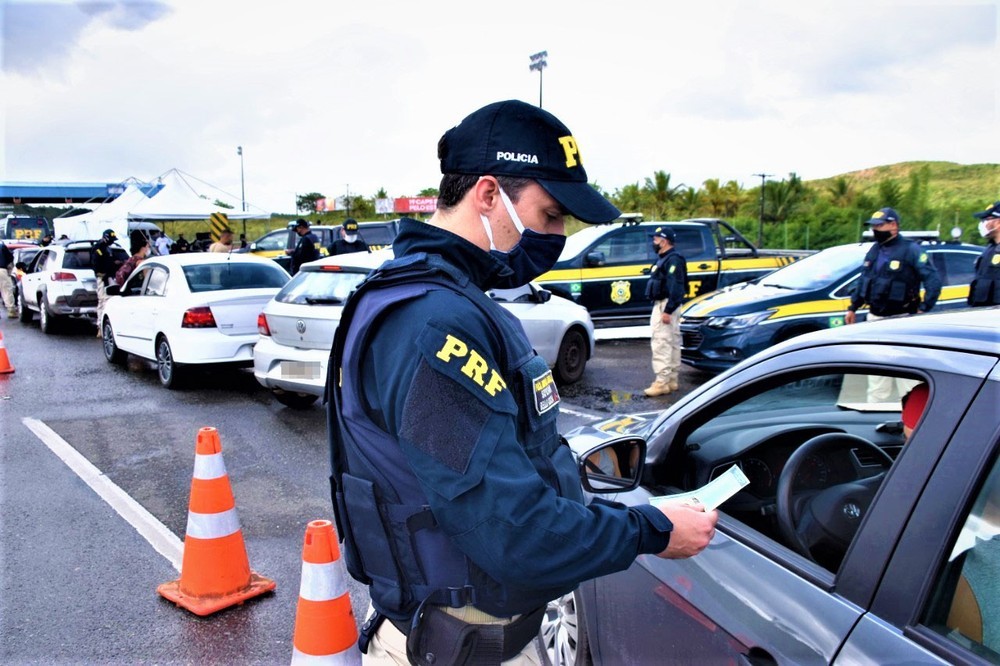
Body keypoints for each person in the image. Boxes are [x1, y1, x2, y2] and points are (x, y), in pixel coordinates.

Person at [327, 99, 717, 665]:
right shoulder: (434, 322)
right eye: (550, 213)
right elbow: (513, 531)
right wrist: (651, 531)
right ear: (488, 194)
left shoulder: (433, 297)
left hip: (474, 635)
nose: (556, 235)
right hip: (455, 646)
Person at [845, 207, 941, 401]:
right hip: (875, 318)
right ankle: (873, 416)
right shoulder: (874, 250)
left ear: (894, 225)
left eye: (880, 226)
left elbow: (933, 281)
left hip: (902, 319)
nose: (875, 230)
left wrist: (925, 308)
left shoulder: (910, 250)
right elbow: (864, 281)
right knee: (877, 376)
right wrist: (853, 307)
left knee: (907, 378)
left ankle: (912, 421)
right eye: (873, 226)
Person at [643, 226, 687, 397]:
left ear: (664, 240)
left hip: (666, 305)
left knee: (662, 342)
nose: (653, 242)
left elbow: (677, 286)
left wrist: (668, 310)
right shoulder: (666, 258)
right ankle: (671, 380)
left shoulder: (673, 259)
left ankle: (661, 382)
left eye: (655, 239)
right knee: (672, 341)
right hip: (668, 305)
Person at [968, 200, 1000, 307]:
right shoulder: (989, 249)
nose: (983, 223)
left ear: (998, 222)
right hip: (983, 314)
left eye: (987, 219)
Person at [92, 228, 122, 337]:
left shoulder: (108, 249)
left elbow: (111, 261)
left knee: (110, 301)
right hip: (103, 278)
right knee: (103, 301)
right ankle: (100, 327)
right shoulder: (98, 248)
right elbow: (97, 265)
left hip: (110, 278)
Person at [0, 241, 16, 318]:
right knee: (6, 290)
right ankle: (11, 311)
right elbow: (10, 258)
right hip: (1, 270)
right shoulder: (2, 246)